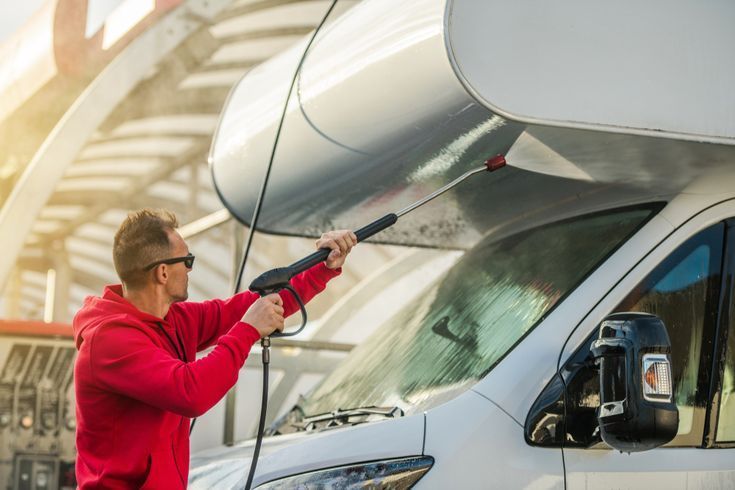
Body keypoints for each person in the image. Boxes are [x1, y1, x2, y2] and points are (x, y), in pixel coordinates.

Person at [72, 209, 356, 488]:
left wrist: (323, 267)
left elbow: (249, 307)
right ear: (162, 272)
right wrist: (247, 331)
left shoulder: (174, 319)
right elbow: (190, 392)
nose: (190, 269)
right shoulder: (109, 341)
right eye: (187, 260)